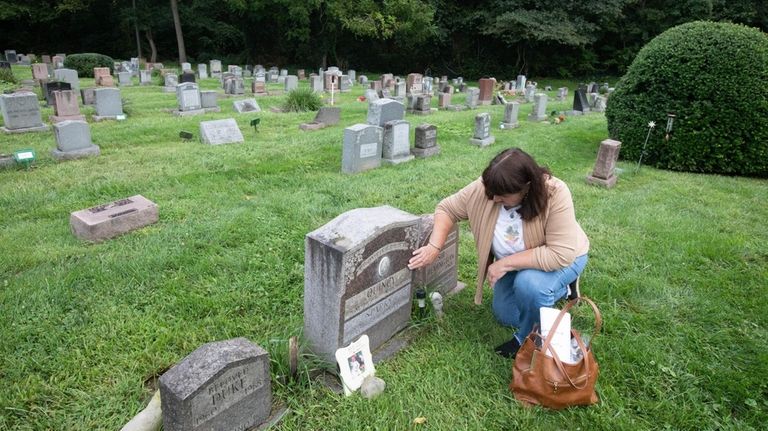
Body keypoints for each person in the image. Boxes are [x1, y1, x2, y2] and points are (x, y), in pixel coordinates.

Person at [407, 148, 589, 358]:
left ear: (526, 188)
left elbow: (560, 254)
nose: (493, 199)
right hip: (517, 263)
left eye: (502, 195)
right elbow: (447, 208)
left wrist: (503, 264)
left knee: (530, 285)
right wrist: (434, 247)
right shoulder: (487, 189)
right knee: (506, 314)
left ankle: (527, 339)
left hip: (564, 259)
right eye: (491, 192)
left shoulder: (555, 193)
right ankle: (564, 290)